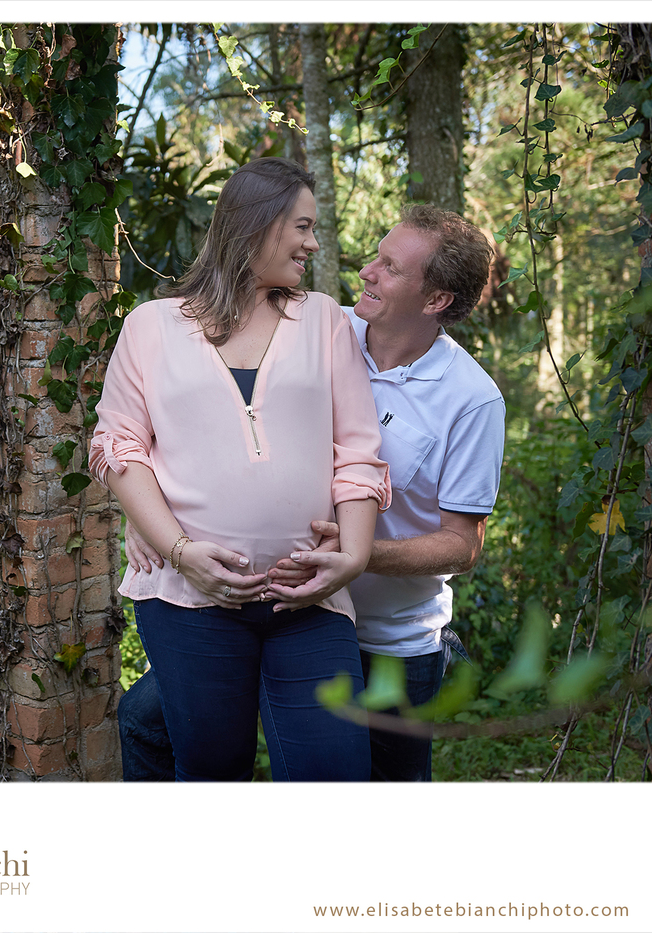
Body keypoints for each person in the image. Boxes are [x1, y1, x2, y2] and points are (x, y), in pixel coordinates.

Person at [120, 203, 504, 782]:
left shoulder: (472, 399)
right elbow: (202, 421)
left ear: (435, 301)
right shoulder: (320, 329)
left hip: (388, 639)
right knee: (149, 723)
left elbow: (462, 545)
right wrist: (150, 515)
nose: (366, 271)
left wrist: (357, 555)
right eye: (375, 255)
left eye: (391, 268)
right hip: (266, 605)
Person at [90, 157, 392, 782]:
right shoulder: (151, 326)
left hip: (308, 601)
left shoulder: (325, 321)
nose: (313, 242)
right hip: (188, 604)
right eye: (302, 227)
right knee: (213, 774)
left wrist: (355, 557)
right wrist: (177, 550)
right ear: (258, 224)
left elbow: (358, 453)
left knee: (332, 777)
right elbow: (119, 447)